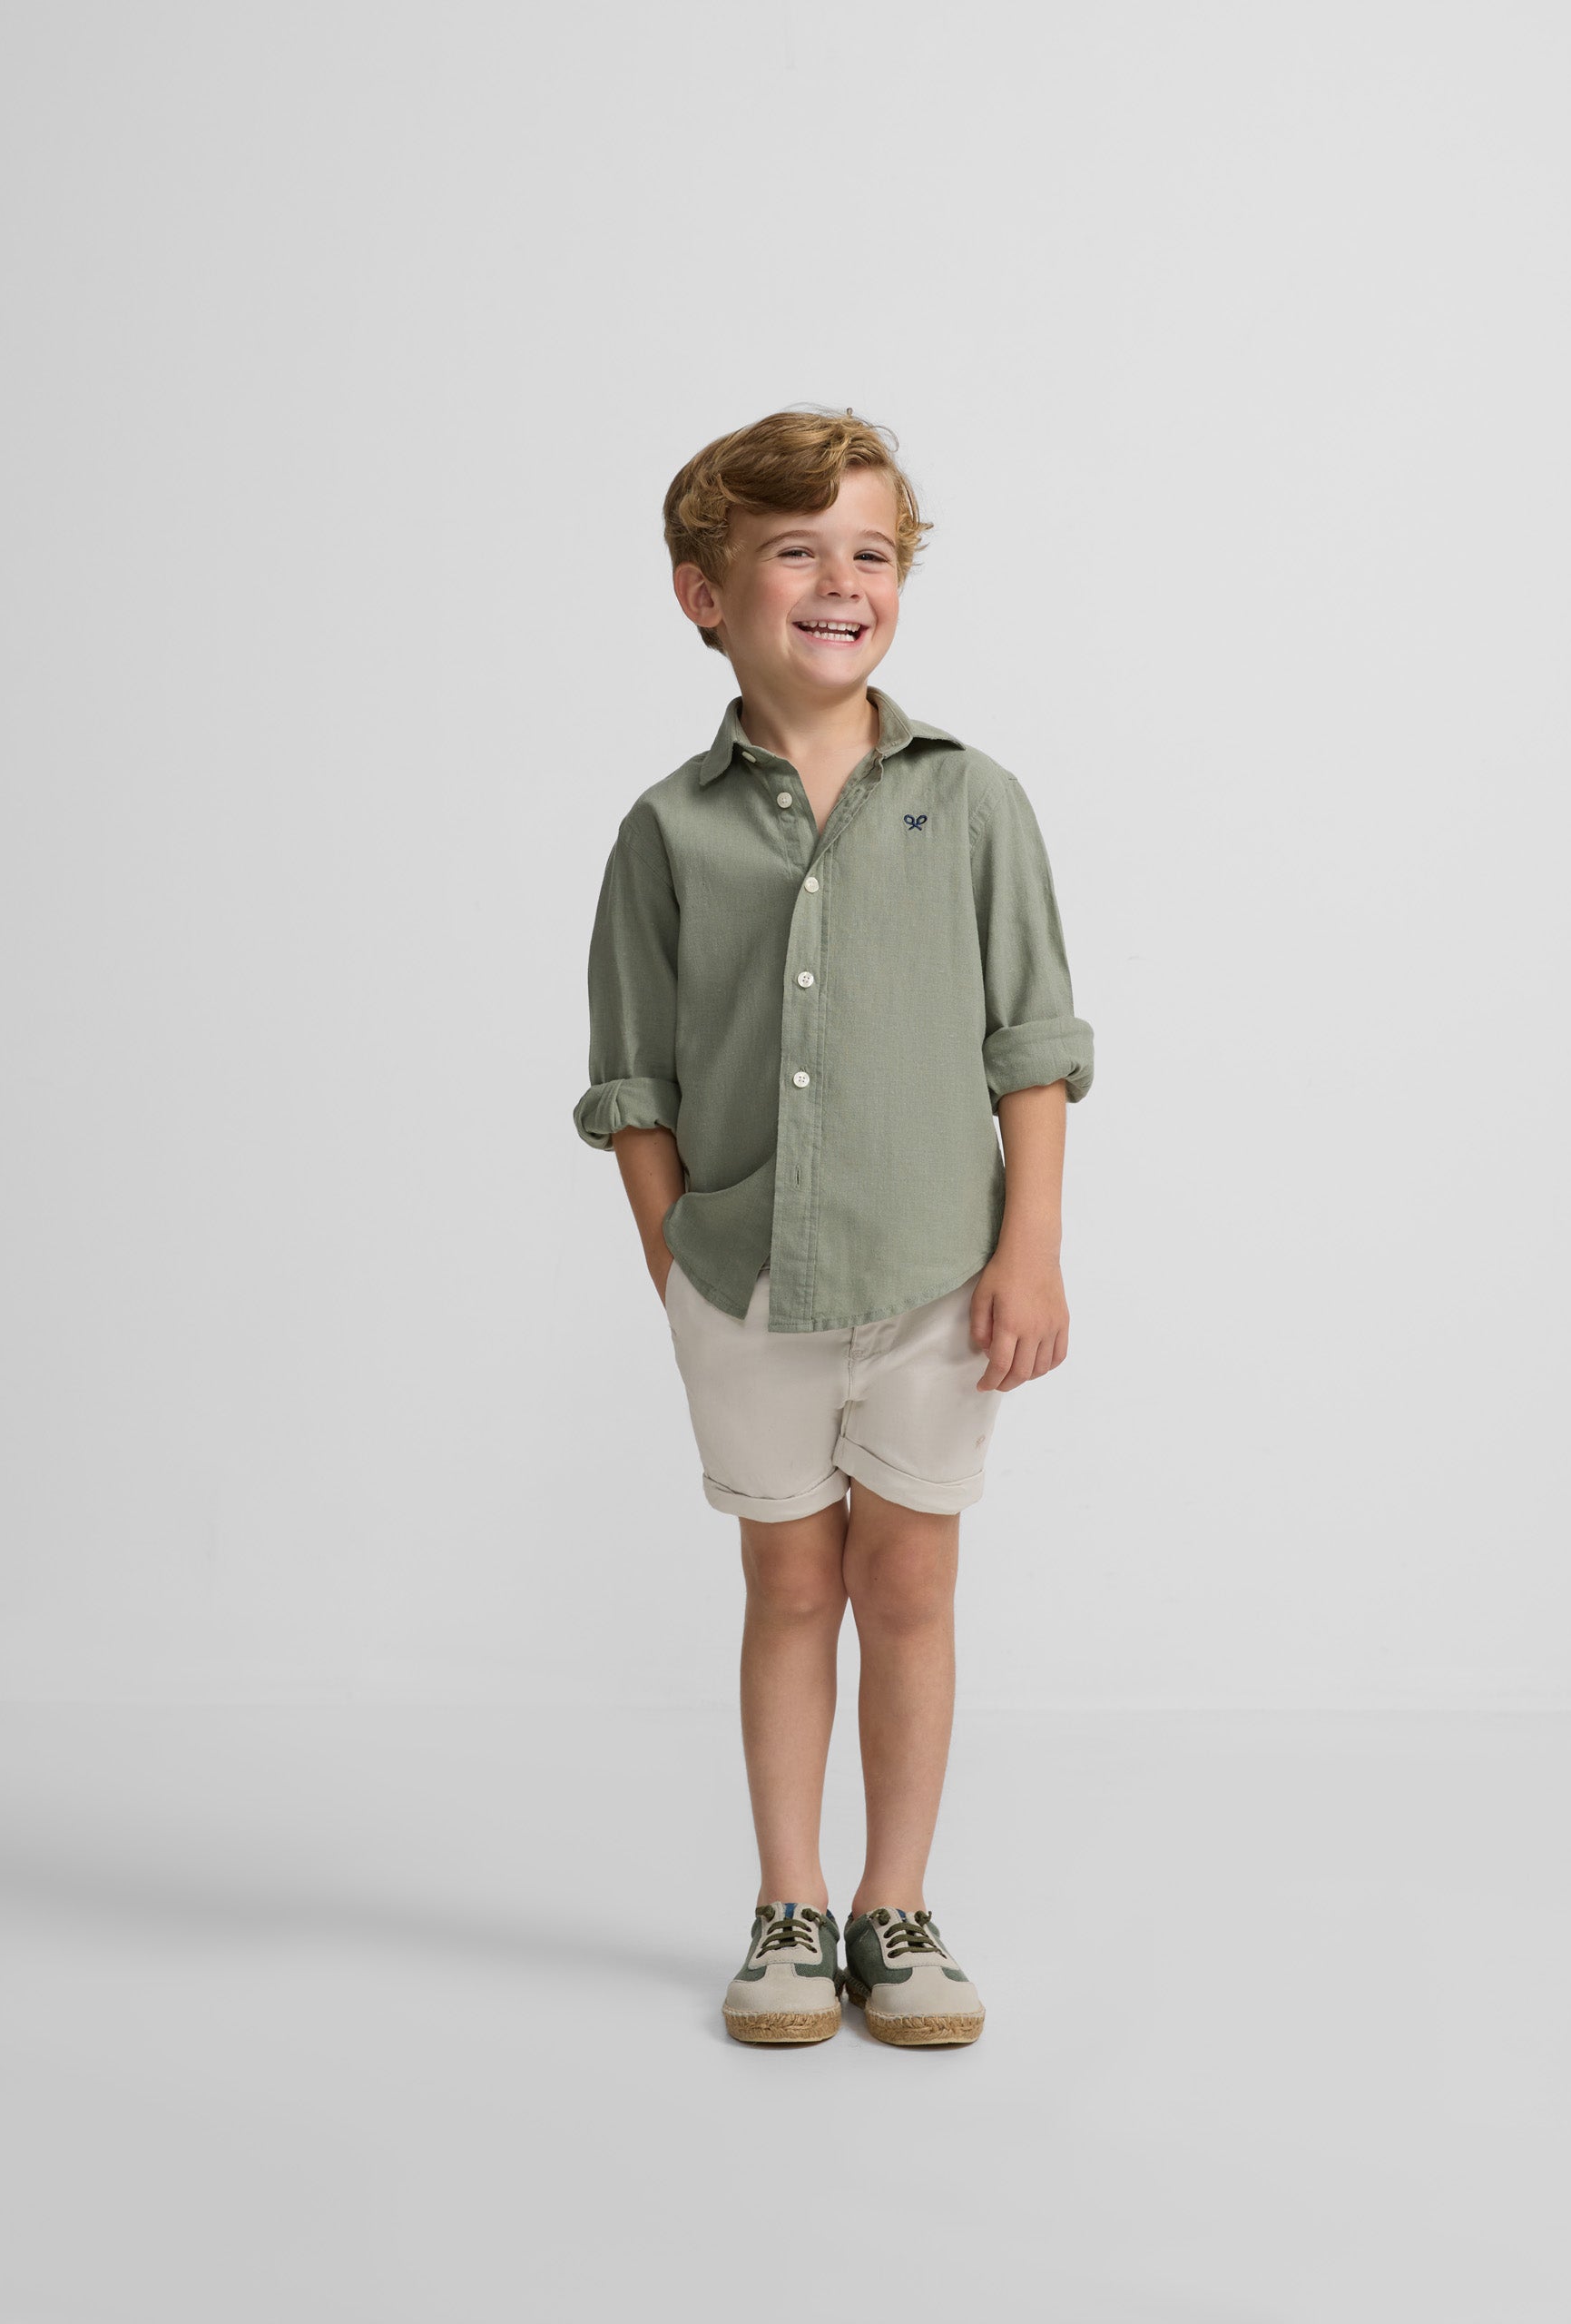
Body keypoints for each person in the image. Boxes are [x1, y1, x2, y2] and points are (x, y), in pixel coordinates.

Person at [573, 407, 1094, 2047]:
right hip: (744, 1287)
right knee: (790, 1584)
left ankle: (898, 1906)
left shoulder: (975, 800)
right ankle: (790, 1907)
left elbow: (1034, 1042)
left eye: (870, 553)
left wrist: (1030, 1250)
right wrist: (675, 1265)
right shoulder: (667, 831)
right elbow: (633, 1079)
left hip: (942, 1278)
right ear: (704, 593)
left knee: (912, 1589)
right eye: (795, 552)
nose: (839, 582)